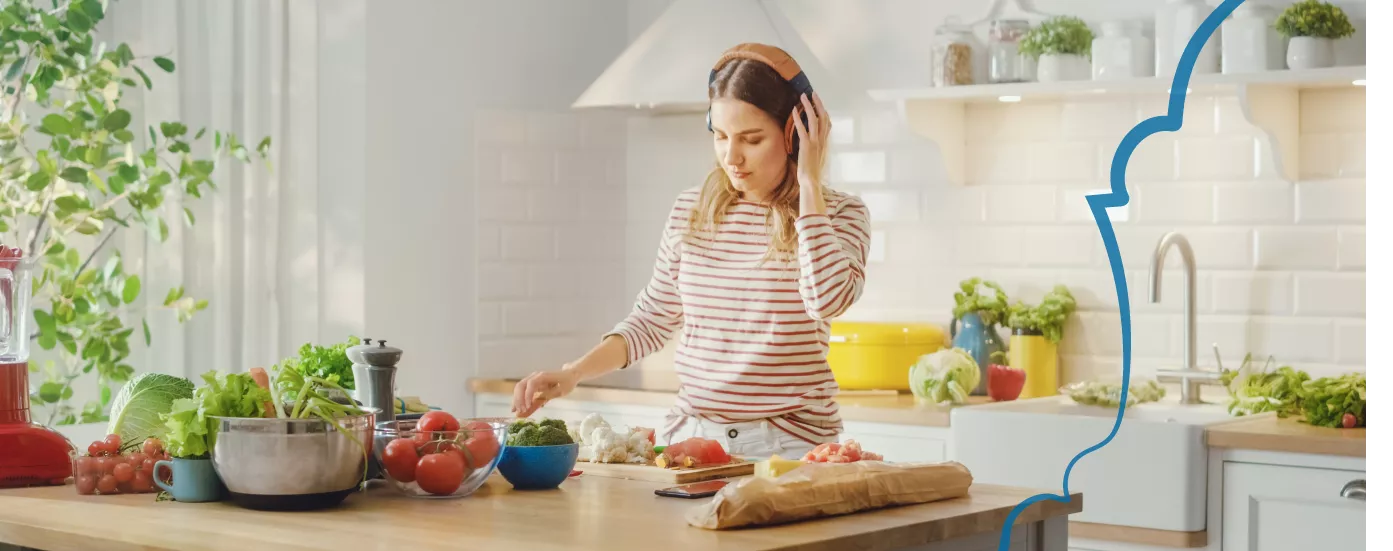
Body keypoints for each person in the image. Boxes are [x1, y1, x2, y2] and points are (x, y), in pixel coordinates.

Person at [511, 43, 870, 460]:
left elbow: (827, 300)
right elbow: (654, 317)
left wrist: (808, 183)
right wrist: (574, 373)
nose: (731, 158)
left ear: (795, 133)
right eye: (720, 136)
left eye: (751, 140)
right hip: (690, 438)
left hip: (789, 447)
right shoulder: (691, 209)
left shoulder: (840, 214)